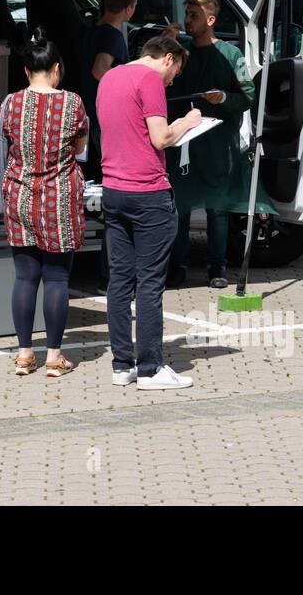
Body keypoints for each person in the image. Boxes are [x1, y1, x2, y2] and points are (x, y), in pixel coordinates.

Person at [98, 33, 202, 391]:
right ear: (168, 58)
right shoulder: (149, 80)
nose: (172, 81)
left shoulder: (110, 76)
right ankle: (151, 369)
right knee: (150, 284)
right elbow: (160, 138)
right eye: (175, 73)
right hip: (148, 192)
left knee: (119, 280)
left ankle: (121, 364)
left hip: (113, 189)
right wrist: (188, 122)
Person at [0, 28, 89, 378]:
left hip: (19, 195)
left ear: (25, 71)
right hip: (59, 198)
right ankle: (53, 356)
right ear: (56, 68)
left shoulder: (11, 103)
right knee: (56, 278)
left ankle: (24, 354)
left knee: (24, 276)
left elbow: (3, 141)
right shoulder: (73, 103)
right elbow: (80, 147)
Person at [165, 0, 255, 289]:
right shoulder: (180, 53)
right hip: (183, 143)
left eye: (194, 15)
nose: (188, 20)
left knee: (218, 208)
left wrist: (225, 98)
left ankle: (217, 267)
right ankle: (177, 266)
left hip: (218, 144)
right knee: (181, 206)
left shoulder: (231, 55)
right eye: (187, 14)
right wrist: (167, 43)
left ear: (211, 20)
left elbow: (248, 96)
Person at [81, 0, 138, 293]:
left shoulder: (92, 31)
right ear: (129, 8)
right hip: (105, 123)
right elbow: (100, 70)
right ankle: (112, 276)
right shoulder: (114, 37)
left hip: (90, 120)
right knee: (113, 201)